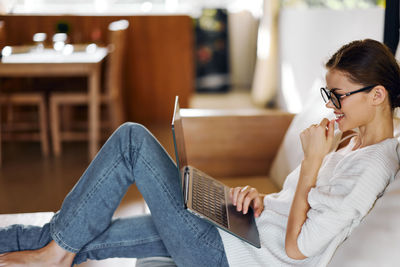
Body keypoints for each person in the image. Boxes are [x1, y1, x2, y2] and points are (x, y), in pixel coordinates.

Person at [0, 38, 399, 267]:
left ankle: (54, 254)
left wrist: (311, 162)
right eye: (328, 95)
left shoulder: (375, 165)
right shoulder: (348, 141)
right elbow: (299, 205)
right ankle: (54, 250)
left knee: (132, 140)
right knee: (83, 232)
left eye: (338, 95)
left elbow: (299, 248)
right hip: (240, 230)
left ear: (378, 95)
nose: (331, 105)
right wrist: (259, 200)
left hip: (228, 256)